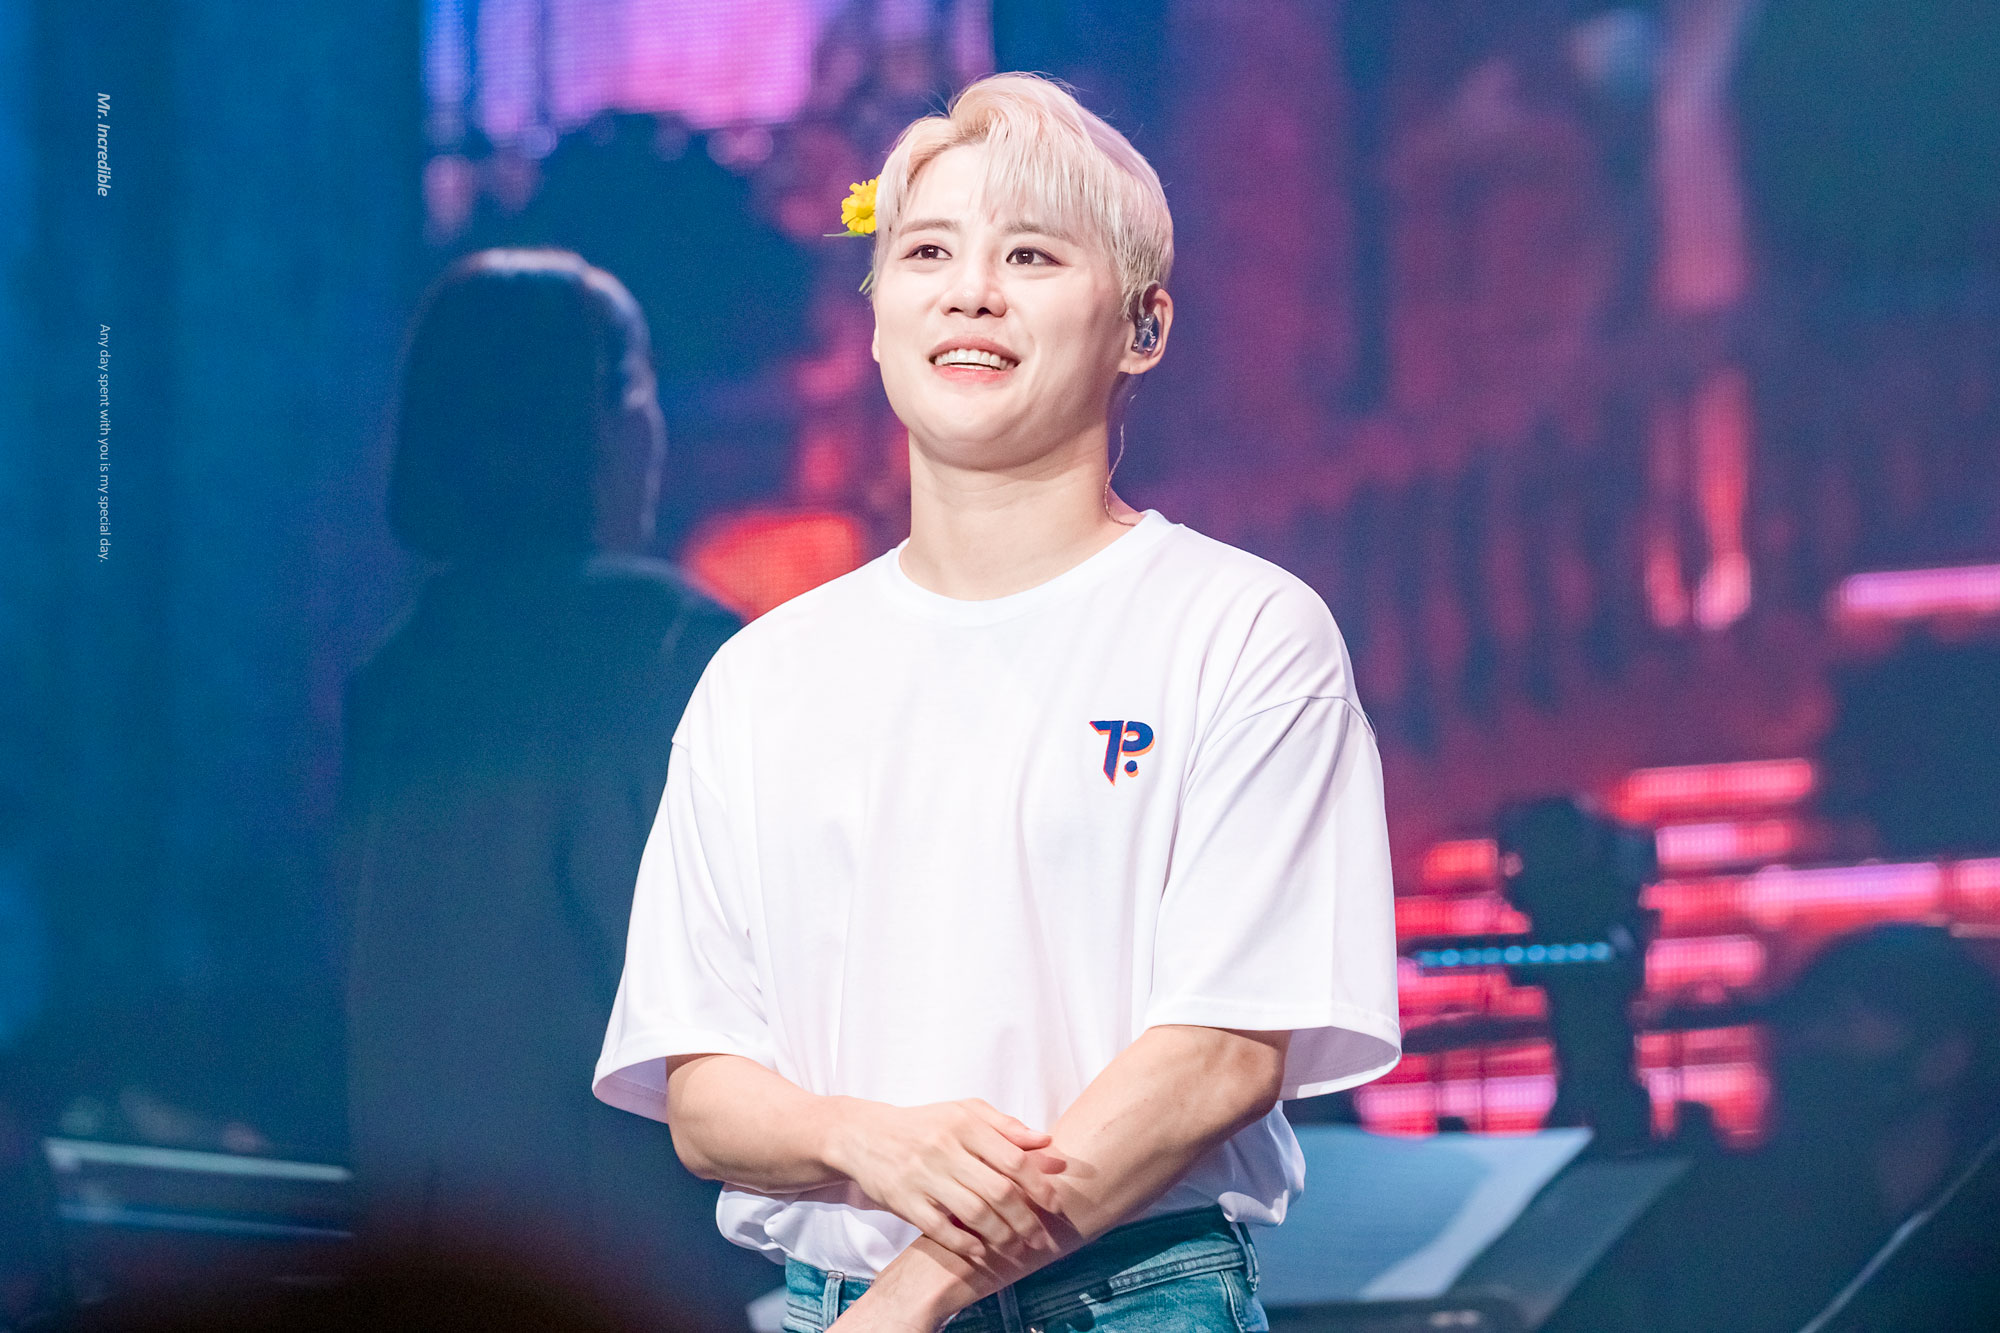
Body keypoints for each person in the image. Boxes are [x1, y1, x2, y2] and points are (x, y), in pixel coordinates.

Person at [593, 75, 1403, 1332]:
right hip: (829, 1300)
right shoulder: (764, 673)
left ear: (1141, 326)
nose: (970, 291)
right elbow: (701, 1092)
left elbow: (1218, 1054)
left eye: (1029, 254)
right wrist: (859, 1138)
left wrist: (911, 1297)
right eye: (926, 253)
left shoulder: (1239, 630)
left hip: (1124, 1298)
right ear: (876, 319)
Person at [339, 249, 766, 1329]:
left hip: (429, 1254)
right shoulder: (671, 645)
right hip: (624, 1262)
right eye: (643, 384)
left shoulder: (397, 671)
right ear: (600, 421)